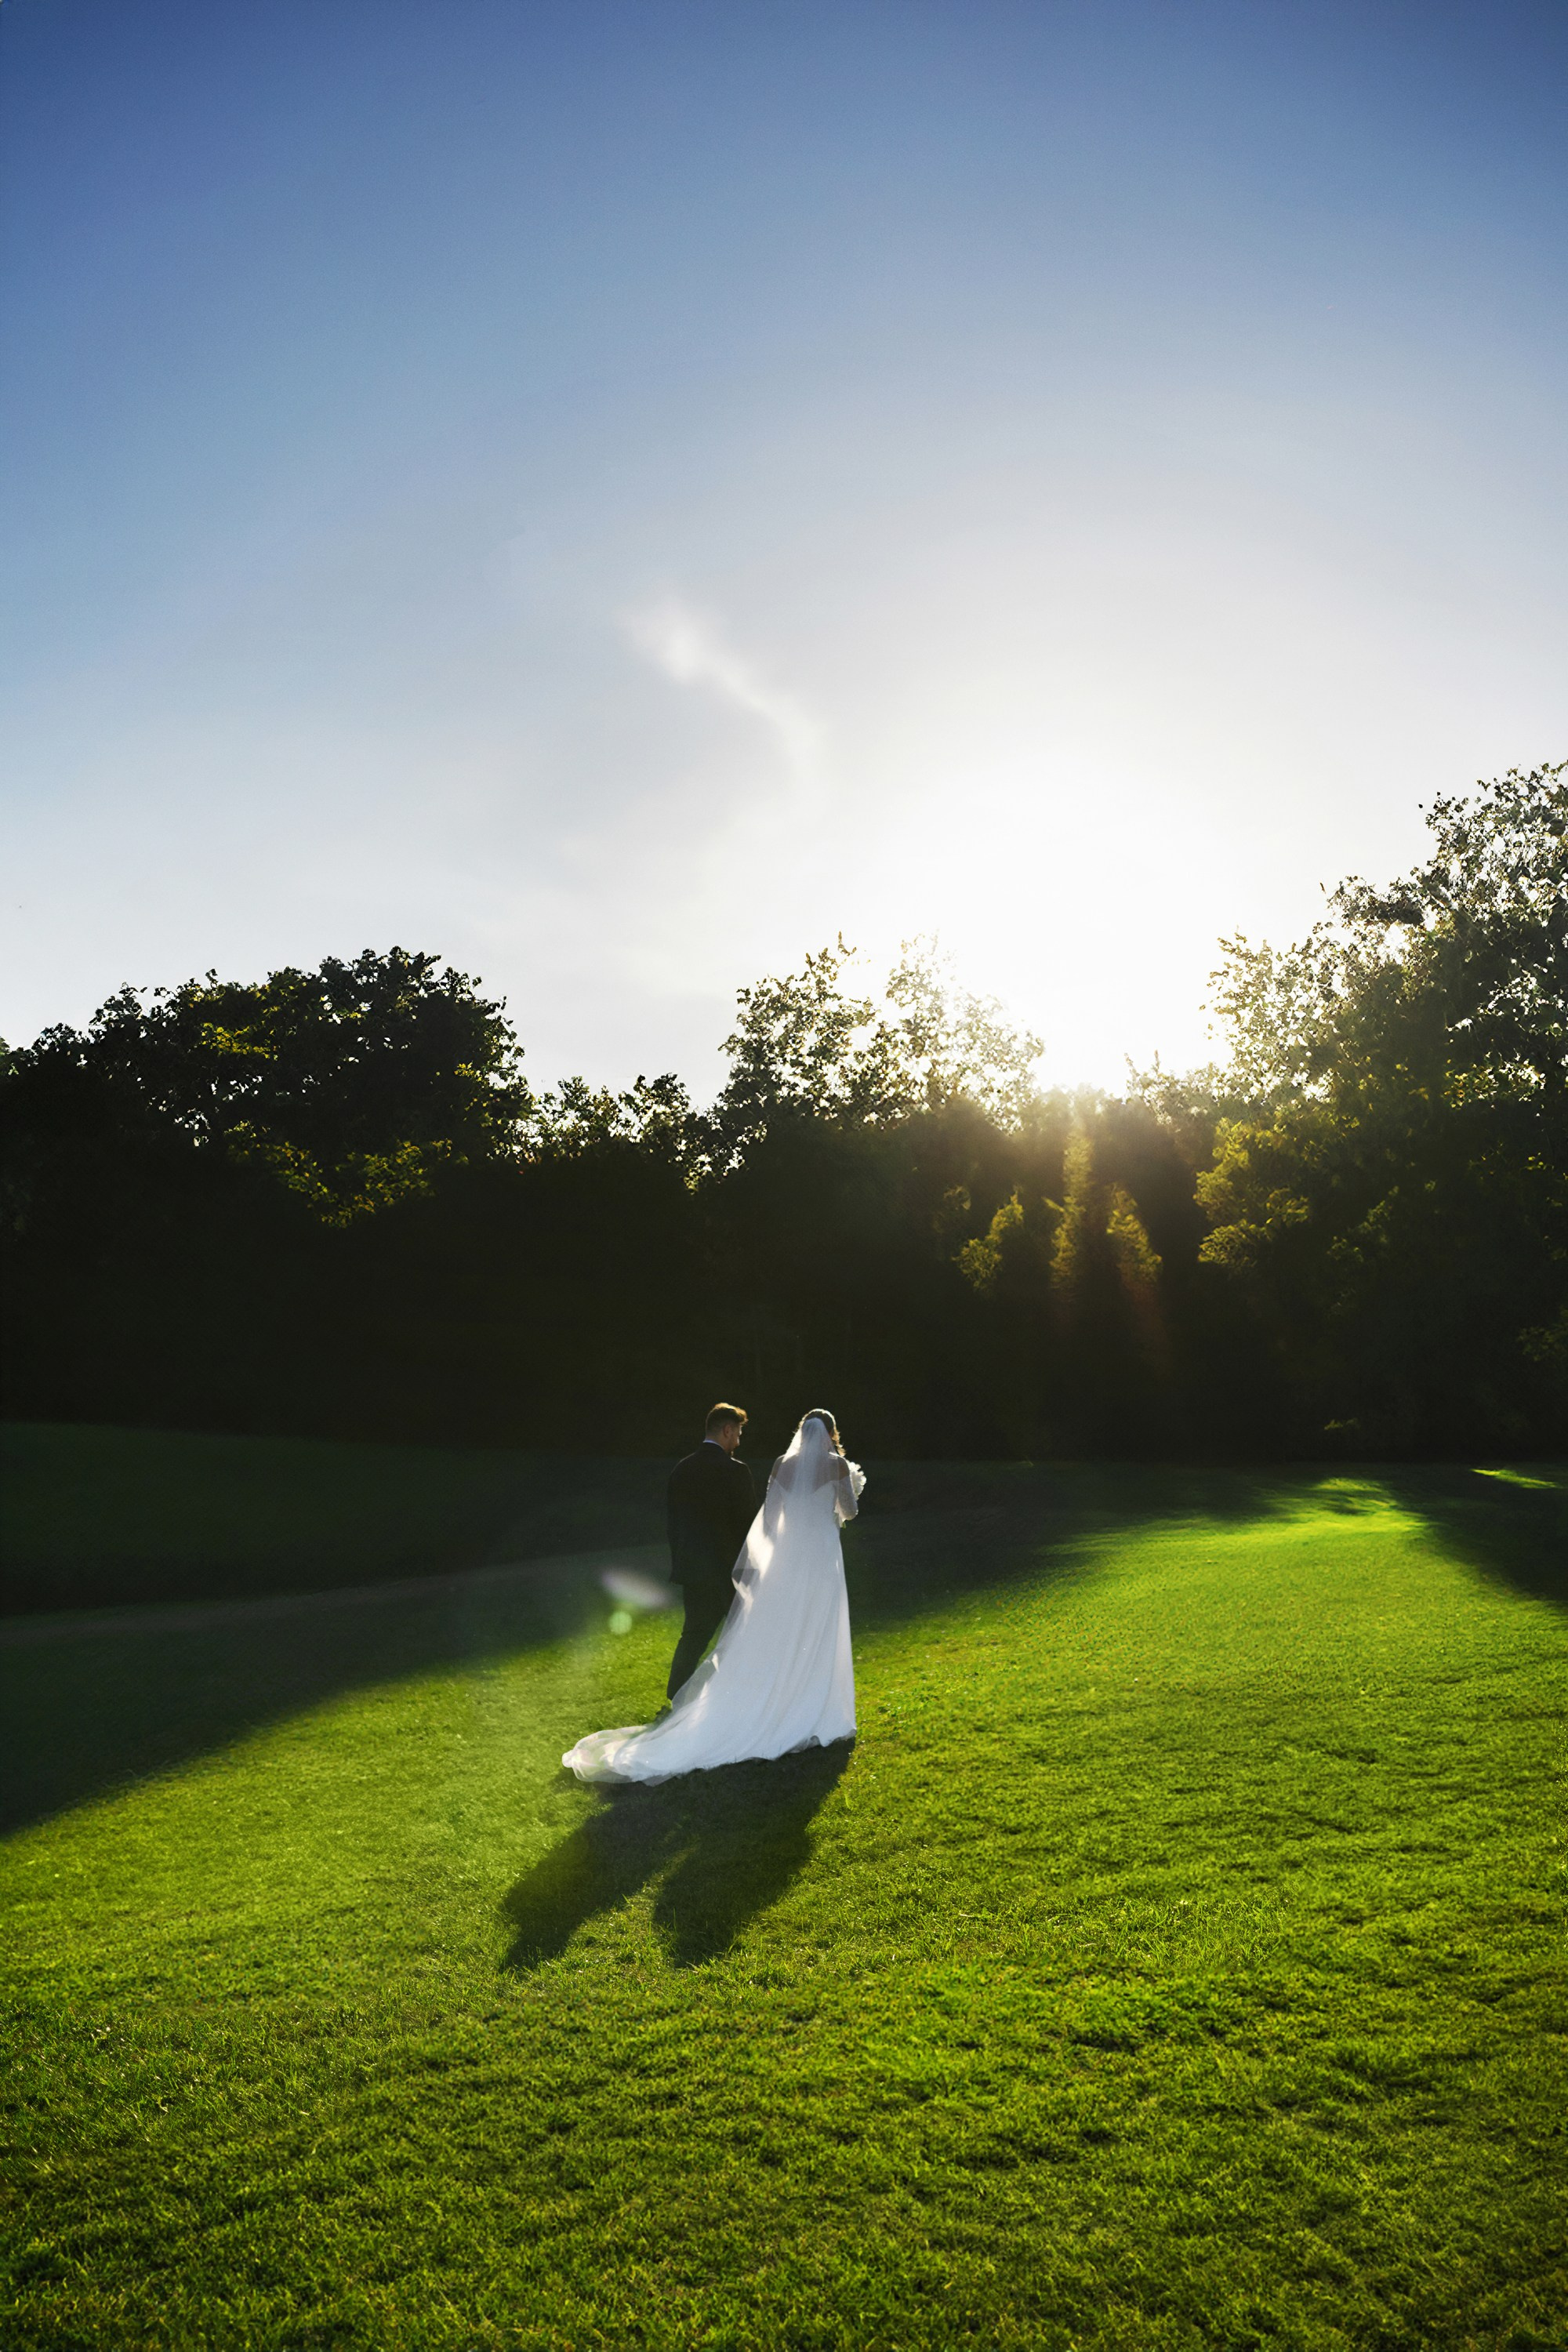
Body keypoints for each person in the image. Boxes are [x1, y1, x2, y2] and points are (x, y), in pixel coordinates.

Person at [563, 1409, 864, 1785]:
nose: (738, 1438)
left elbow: (766, 1522)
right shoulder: (821, 1467)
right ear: (830, 1435)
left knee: (704, 1633)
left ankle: (691, 1697)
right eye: (736, 1431)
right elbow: (841, 1512)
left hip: (714, 1568)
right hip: (807, 1562)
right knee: (795, 1632)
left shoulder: (731, 1467)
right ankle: (800, 1703)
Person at [662, 1402, 758, 1700]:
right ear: (727, 1430)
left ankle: (676, 1694)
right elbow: (748, 1528)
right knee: (744, 1635)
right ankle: (741, 1694)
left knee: (693, 1635)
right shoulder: (736, 1471)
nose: (739, 1441)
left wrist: (682, 1564)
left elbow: (673, 1524)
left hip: (693, 1571)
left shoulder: (682, 1469)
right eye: (738, 1433)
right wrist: (753, 1569)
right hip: (730, 1571)